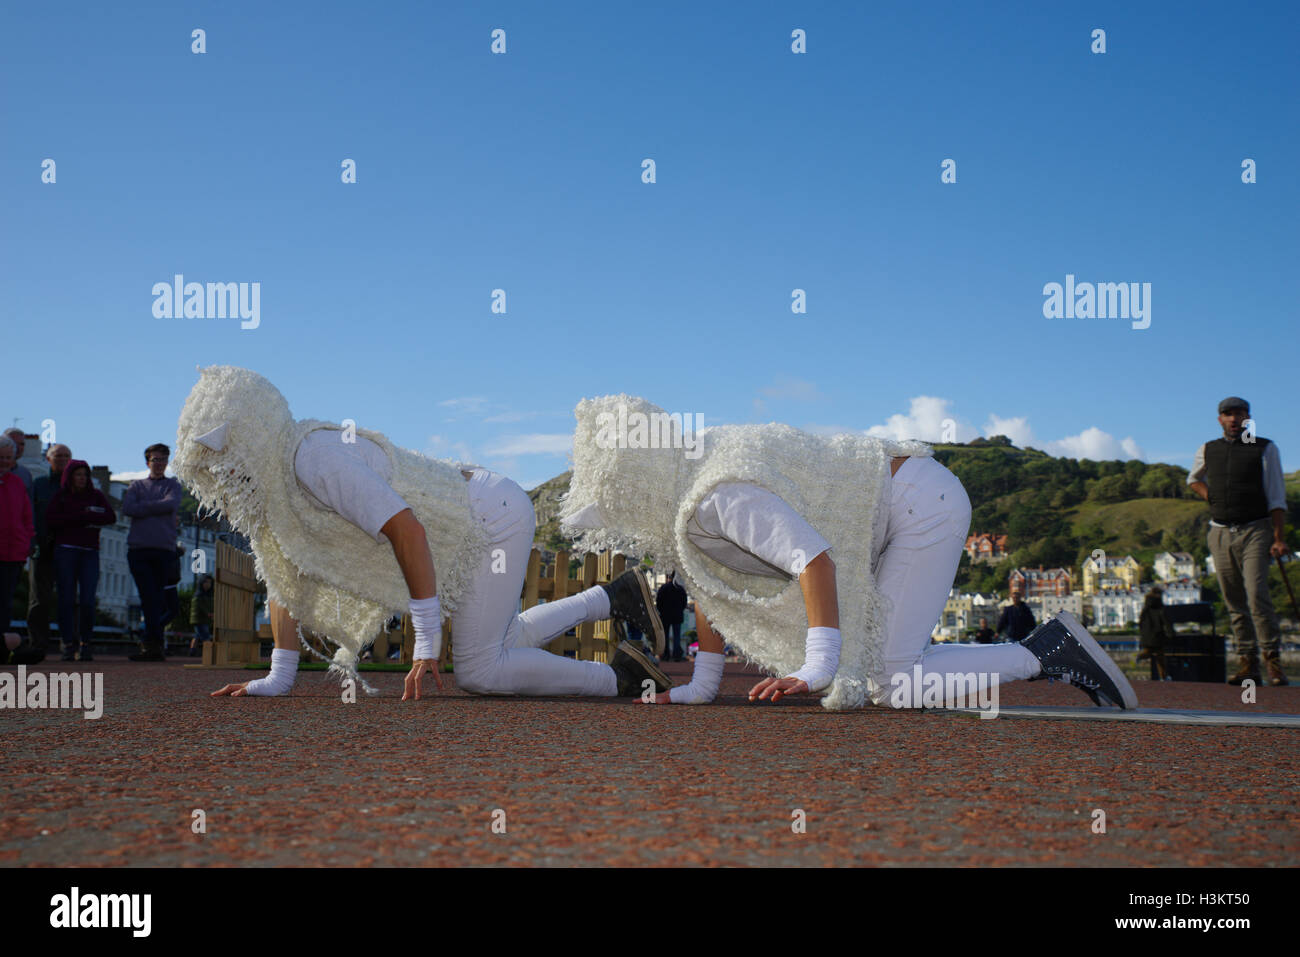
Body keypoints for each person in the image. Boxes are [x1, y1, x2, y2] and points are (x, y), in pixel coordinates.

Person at [561, 394, 1137, 710]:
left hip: (920, 504)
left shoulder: (714, 495)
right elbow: (709, 584)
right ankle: (1044, 650)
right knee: (887, 670)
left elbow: (814, 559)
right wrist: (703, 685)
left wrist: (817, 668)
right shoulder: (692, 485)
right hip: (899, 504)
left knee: (887, 681)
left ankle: (1047, 651)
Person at [169, 366, 670, 700]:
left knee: (479, 670)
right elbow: (284, 576)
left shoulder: (312, 456)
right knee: (502, 637)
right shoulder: (280, 484)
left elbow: (406, 529)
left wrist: (427, 642)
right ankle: (612, 596)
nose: (223, 478)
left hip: (489, 517)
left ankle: (620, 678)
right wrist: (278, 678)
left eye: (222, 459)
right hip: (478, 513)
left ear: (249, 435)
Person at [1187, 397, 1289, 687]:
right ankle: (1248, 663)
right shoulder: (1208, 449)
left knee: (1256, 594)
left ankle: (1273, 661)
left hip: (1257, 528)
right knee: (1233, 599)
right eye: (1228, 414)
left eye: (1239, 414)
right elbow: (1193, 479)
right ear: (1219, 419)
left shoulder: (1265, 448)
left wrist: (1279, 538)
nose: (1234, 419)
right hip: (1219, 531)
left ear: (1248, 418)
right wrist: (1211, 496)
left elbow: (1276, 496)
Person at [46, 460, 116, 661]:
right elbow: (52, 520)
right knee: (66, 599)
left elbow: (110, 517)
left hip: (89, 552)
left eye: (85, 475)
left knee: (87, 600)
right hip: (66, 551)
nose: (82, 478)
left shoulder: (96, 496)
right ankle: (68, 643)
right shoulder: (61, 496)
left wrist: (83, 517)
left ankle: (86, 643)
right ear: (70, 477)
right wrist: (85, 516)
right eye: (78, 475)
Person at [122, 443, 184, 661]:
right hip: (139, 548)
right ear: (147, 461)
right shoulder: (136, 486)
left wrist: (145, 508)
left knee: (157, 598)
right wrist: (157, 507)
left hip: (163, 548)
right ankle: (152, 643)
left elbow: (171, 504)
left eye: (163, 459)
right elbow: (128, 509)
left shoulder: (173, 485)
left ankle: (152, 644)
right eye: (155, 459)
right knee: (147, 596)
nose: (159, 463)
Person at [19, 443, 72, 663]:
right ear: (48, 459)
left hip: (68, 550)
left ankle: (69, 644)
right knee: (38, 600)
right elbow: (28, 514)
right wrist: (31, 542)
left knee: (68, 599)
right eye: (57, 456)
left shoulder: (77, 486)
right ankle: (37, 645)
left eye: (66, 456)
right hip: (42, 548)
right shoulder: (38, 484)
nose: (61, 460)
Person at [0, 435, 35, 664]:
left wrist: (26, 542)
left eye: (8, 458)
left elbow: (26, 517)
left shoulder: (16, 482)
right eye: (1, 458)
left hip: (13, 553)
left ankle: (3, 649)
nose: (4, 462)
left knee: (5, 603)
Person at [1137, 587, 1172, 681]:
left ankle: (1139, 657)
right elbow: (1165, 621)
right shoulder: (1159, 606)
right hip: (1158, 634)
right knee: (1160, 656)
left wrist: (1142, 632)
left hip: (1146, 634)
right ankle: (1163, 677)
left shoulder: (1146, 606)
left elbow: (1140, 620)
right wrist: (1170, 633)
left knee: (1148, 651)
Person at [656, 570, 689, 661]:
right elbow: (684, 603)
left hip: (665, 616)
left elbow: (658, 602)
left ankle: (666, 654)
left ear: (668, 577)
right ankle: (676, 654)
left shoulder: (663, 588)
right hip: (677, 616)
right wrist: (679, 610)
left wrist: (662, 611)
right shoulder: (680, 589)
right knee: (677, 636)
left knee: (665, 636)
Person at [189, 573, 215, 656]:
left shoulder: (208, 595)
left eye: (210, 583)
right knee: (205, 636)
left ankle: (192, 651)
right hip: (199, 619)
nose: (208, 585)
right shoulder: (198, 595)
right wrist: (208, 613)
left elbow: (209, 606)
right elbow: (199, 606)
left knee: (197, 636)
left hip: (203, 619)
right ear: (201, 583)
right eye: (206, 582)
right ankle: (209, 653)